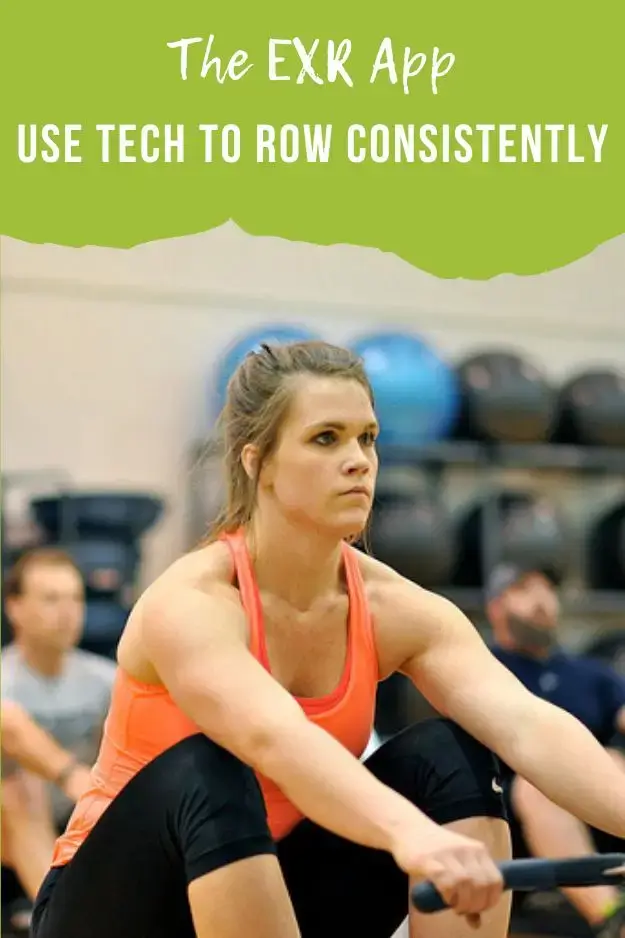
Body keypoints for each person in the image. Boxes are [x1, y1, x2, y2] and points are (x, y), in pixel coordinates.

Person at [30, 341, 625, 938]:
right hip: (120, 907)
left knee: (455, 757)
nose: (359, 460)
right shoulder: (192, 602)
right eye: (326, 438)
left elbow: (526, 724)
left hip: (272, 890)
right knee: (213, 767)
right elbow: (274, 738)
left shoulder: (394, 606)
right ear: (256, 461)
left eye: (367, 438)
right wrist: (413, 834)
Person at [486, 562, 625, 938]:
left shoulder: (589, 673)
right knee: (540, 784)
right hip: (517, 799)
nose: (541, 600)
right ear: (495, 608)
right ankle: (613, 917)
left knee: (614, 760)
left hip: (598, 797)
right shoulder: (483, 667)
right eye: (524, 590)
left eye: (547, 589)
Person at [1, 548, 116, 915]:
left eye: (76, 598)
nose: (68, 612)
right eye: (51, 599)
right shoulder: (4, 679)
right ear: (15, 608)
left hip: (78, 817)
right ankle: (56, 920)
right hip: (13, 820)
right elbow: (10, 727)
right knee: (21, 788)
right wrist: (70, 775)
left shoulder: (106, 679)